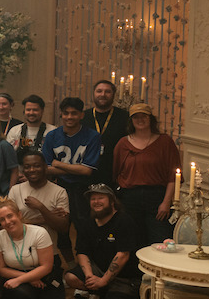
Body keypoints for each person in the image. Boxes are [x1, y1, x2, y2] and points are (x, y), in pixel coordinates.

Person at [64, 184, 141, 299]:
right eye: (93, 199)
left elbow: (123, 255)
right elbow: (82, 252)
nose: (96, 202)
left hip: (124, 278)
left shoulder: (124, 221)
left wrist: (103, 281)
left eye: (101, 198)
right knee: (70, 277)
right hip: (98, 270)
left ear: (112, 201)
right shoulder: (88, 223)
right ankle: (101, 293)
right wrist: (89, 277)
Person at [112, 103, 180, 246]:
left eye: (144, 116)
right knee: (132, 240)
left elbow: (173, 176)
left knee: (160, 239)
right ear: (131, 120)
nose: (140, 119)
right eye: (136, 117)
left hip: (156, 198)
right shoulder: (122, 144)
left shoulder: (165, 142)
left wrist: (166, 203)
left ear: (151, 119)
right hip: (129, 199)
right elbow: (116, 174)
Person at [0, 199, 63, 299]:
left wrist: (22, 279)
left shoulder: (39, 233)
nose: (7, 222)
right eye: (2, 219)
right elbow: (1, 269)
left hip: (45, 279)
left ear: (19, 215)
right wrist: (26, 279)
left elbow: (47, 267)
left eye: (10, 216)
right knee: (19, 293)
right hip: (18, 279)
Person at [42, 96, 102, 240]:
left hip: (84, 189)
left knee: (84, 227)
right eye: (66, 113)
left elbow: (87, 171)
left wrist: (58, 164)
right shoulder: (51, 136)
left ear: (81, 115)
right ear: (61, 114)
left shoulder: (92, 136)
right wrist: (77, 168)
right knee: (61, 228)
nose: (69, 117)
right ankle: (67, 263)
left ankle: (85, 260)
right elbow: (46, 169)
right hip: (58, 187)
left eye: (74, 113)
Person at [6, 151, 71, 255]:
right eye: (27, 167)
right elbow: (9, 224)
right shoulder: (15, 190)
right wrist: (47, 217)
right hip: (19, 251)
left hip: (48, 251)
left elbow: (63, 227)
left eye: (37, 166)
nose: (32, 170)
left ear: (45, 167)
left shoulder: (59, 192)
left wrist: (41, 207)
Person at [85, 80, 129, 189]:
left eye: (107, 92)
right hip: (88, 172)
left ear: (113, 95)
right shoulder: (83, 116)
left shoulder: (125, 117)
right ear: (94, 94)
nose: (103, 95)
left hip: (115, 172)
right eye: (99, 91)